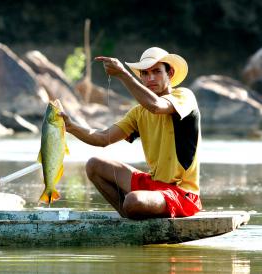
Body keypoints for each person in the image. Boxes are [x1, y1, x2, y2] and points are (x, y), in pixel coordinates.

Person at [61, 47, 202, 219]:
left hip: (182, 195)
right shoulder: (138, 112)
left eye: (157, 72)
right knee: (94, 165)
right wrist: (70, 126)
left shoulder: (184, 96)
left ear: (170, 73)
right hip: (153, 186)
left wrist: (122, 74)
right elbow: (103, 138)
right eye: (145, 73)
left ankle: (132, 210)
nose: (150, 78)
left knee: (133, 201)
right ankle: (129, 216)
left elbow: (156, 106)